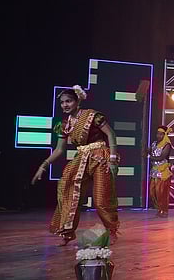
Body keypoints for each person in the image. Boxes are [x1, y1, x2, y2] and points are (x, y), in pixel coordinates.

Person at [31, 85, 120, 246]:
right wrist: (43, 166)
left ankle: (112, 230)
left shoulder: (93, 116)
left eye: (69, 101)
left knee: (101, 198)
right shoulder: (64, 124)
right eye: (62, 102)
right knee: (66, 188)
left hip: (100, 156)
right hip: (82, 158)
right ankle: (67, 231)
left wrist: (112, 159)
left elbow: (111, 134)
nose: (65, 105)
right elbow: (59, 149)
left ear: (77, 101)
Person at [146, 125, 173, 217]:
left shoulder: (167, 145)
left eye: (161, 134)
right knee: (152, 192)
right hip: (154, 171)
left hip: (163, 171)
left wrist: (149, 157)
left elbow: (162, 157)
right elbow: (147, 151)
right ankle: (159, 209)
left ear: (165, 135)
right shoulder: (154, 143)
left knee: (161, 192)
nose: (158, 135)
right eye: (158, 133)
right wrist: (146, 151)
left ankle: (164, 211)